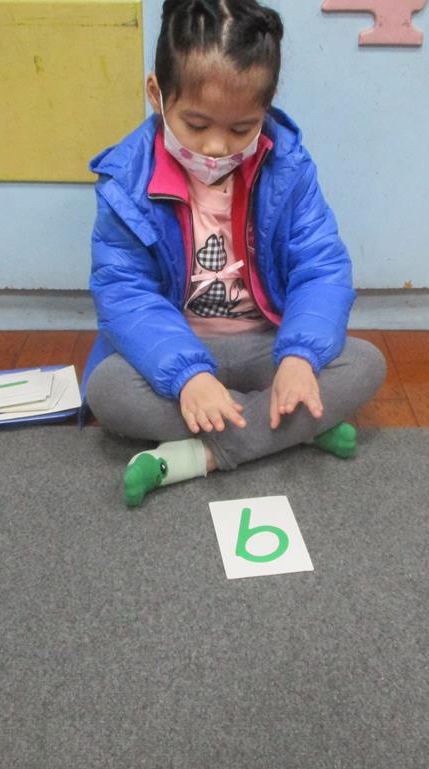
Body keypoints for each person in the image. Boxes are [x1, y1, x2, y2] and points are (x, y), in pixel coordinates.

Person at [82, 0, 386, 506]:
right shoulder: (125, 181)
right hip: (177, 344)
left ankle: (193, 456)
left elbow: (321, 269)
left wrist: (299, 357)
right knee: (108, 390)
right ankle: (292, 427)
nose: (217, 147)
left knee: (364, 364)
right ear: (157, 94)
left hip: (263, 344)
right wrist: (188, 375)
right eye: (196, 124)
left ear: (266, 107)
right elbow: (125, 294)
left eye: (242, 129)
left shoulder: (289, 167)